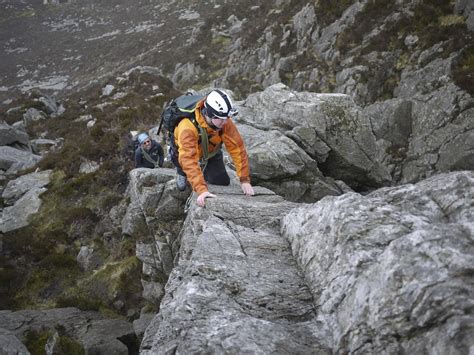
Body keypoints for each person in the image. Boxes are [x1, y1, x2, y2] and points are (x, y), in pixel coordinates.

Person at [171, 89, 254, 207]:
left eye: (227, 117)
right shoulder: (187, 128)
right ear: (208, 114)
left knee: (222, 182)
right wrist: (201, 190)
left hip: (211, 151)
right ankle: (181, 172)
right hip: (183, 152)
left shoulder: (223, 120)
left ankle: (201, 173)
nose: (226, 122)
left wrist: (244, 179)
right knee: (184, 171)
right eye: (221, 118)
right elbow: (188, 159)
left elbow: (237, 148)